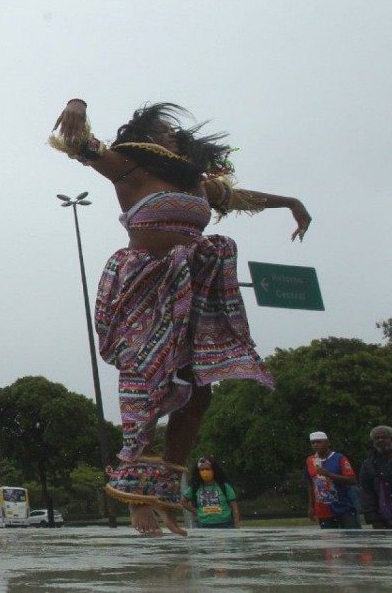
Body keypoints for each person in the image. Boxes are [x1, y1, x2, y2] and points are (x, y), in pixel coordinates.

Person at [52, 99, 311, 537]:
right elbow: (79, 144)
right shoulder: (130, 169)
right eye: (164, 131)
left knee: (198, 390)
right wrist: (77, 105)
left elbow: (243, 198)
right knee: (147, 378)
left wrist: (291, 202)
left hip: (192, 287)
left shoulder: (197, 185)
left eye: (175, 133)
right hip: (146, 286)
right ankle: (136, 495)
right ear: (145, 136)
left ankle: (166, 489)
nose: (173, 137)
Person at [358, 426, 392, 529]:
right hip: (384, 519)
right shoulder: (368, 465)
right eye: (377, 438)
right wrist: (372, 517)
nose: (380, 440)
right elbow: (366, 492)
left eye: (384, 437)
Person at [306, 431, 361, 529]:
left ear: (327, 443)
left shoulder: (339, 458)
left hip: (343, 507)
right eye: (313, 443)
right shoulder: (310, 460)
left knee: (351, 536)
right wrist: (311, 506)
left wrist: (329, 474)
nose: (316, 445)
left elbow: (352, 480)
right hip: (323, 510)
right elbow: (311, 484)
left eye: (319, 442)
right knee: (330, 538)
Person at [180, 456, 240, 529]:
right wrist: (198, 512)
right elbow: (184, 502)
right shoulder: (195, 487)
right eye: (202, 470)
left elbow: (234, 507)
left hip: (225, 524)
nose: (205, 472)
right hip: (204, 525)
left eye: (208, 469)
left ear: (214, 470)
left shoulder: (224, 486)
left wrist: (237, 528)